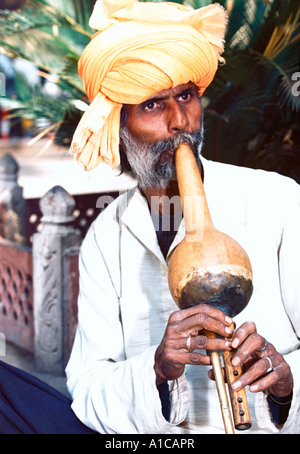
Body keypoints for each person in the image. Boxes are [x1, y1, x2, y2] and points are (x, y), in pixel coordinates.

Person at [0, 0, 299, 435]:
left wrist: (286, 381)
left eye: (186, 95)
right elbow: (89, 388)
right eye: (154, 105)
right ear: (119, 125)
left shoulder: (277, 198)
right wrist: (156, 370)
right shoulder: (106, 236)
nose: (181, 121)